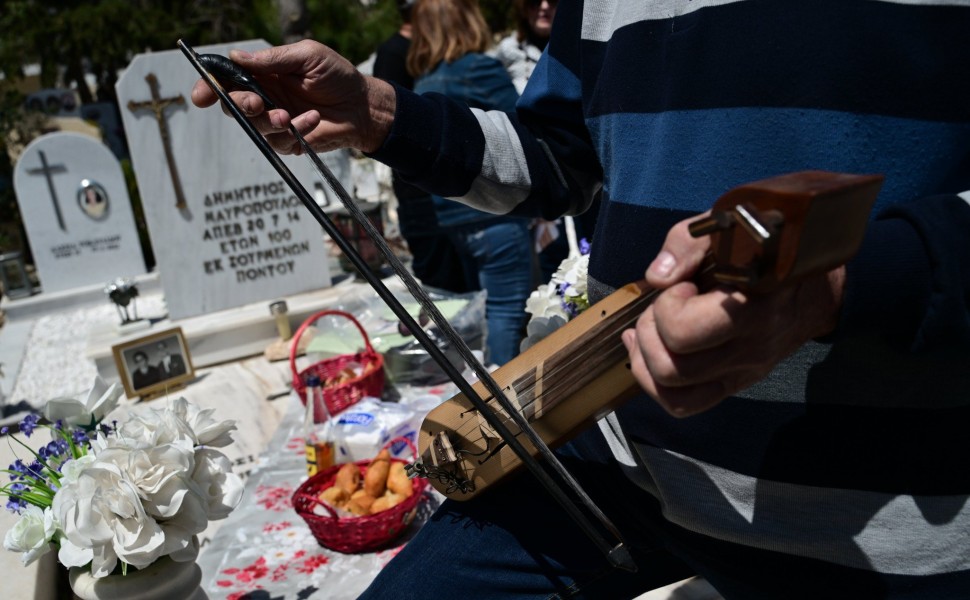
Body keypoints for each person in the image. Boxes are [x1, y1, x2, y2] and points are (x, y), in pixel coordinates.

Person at [191, 0, 970, 596]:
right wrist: (379, 113)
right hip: (624, 466)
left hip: (891, 512)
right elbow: (561, 159)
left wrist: (840, 285)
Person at [400, 0, 535, 366]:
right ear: (467, 20)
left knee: (492, 306)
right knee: (509, 310)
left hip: (454, 213)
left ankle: (492, 384)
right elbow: (527, 129)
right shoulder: (478, 69)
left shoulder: (425, 79)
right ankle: (504, 398)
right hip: (498, 212)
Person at [372, 0, 472, 295]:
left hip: (447, 188)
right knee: (442, 287)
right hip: (420, 193)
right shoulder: (394, 53)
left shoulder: (434, 51)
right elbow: (391, 124)